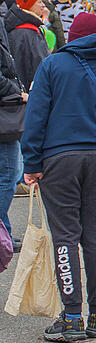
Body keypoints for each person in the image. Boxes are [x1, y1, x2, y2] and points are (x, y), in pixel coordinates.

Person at [20, 12, 96, 343]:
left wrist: (32, 162)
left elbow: (36, 117)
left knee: (65, 236)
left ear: (72, 37)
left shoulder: (51, 67)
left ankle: (72, 317)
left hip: (57, 161)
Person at [0, 15, 26, 254]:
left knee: (9, 174)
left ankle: (4, 233)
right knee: (9, 175)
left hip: (6, 110)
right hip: (4, 111)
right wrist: (17, 92)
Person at [6, 0, 50, 90]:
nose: (43, 5)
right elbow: (40, 64)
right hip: (31, 89)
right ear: (30, 6)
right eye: (39, 2)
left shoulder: (18, 28)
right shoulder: (29, 32)